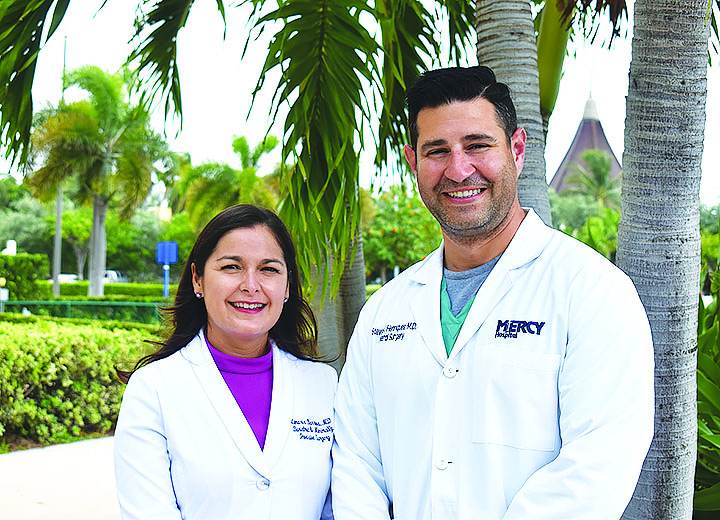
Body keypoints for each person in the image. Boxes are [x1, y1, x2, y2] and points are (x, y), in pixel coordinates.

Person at [331, 66, 654, 519]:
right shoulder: (384, 311)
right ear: (413, 163)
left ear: (517, 150)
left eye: (477, 146)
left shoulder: (592, 291)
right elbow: (356, 464)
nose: (459, 170)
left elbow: (598, 462)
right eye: (437, 151)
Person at [114, 204, 336, 519]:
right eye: (231, 267)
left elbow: (338, 507)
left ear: (287, 286)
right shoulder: (154, 388)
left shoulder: (323, 384)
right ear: (197, 279)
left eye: (269, 269)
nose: (250, 285)